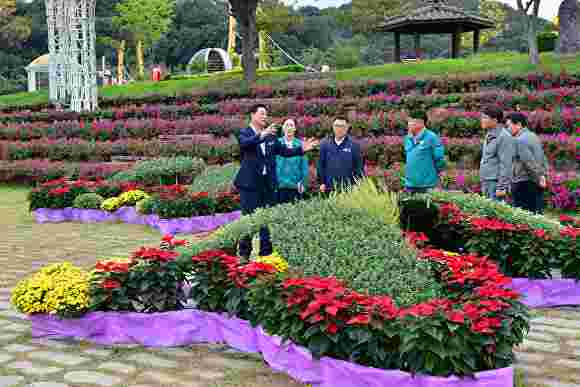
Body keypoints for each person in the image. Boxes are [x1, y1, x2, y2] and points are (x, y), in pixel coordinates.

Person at [234, 104, 317, 258]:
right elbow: (245, 144)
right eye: (262, 114)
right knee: (248, 220)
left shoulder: (272, 136)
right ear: (252, 115)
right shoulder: (244, 132)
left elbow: (283, 151)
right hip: (250, 185)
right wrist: (262, 135)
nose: (265, 117)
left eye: (266, 114)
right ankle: (244, 255)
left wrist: (301, 149)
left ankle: (266, 255)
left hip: (268, 184)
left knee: (267, 220)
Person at [507, 112, 549, 214]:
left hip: (523, 182)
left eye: (509, 126)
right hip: (535, 181)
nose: (508, 129)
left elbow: (528, 162)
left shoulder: (519, 140)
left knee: (523, 216)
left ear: (519, 125)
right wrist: (543, 175)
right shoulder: (533, 136)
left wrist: (539, 177)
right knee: (536, 213)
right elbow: (543, 157)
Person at [403, 110, 446, 193]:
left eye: (411, 121)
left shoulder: (432, 137)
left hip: (427, 185)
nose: (408, 124)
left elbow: (439, 158)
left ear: (420, 123)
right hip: (410, 185)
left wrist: (441, 172)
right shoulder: (408, 138)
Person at [317, 117, 364, 193]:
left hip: (348, 189)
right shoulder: (325, 144)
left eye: (342, 126)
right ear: (333, 127)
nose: (339, 128)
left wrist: (356, 184)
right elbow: (321, 165)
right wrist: (321, 182)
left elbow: (359, 167)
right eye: (336, 125)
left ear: (347, 127)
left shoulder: (354, 145)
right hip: (329, 188)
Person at [479, 106, 515, 201]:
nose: (482, 120)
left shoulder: (504, 137)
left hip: (495, 183)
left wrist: (501, 187)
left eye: (485, 118)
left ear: (495, 120)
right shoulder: (489, 134)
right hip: (486, 180)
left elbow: (506, 164)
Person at [276, 119, 309, 204]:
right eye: (287, 125)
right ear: (283, 128)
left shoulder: (301, 145)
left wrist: (303, 183)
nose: (289, 128)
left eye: (291, 125)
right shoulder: (276, 143)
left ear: (295, 128)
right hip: (278, 187)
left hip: (295, 187)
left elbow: (304, 167)